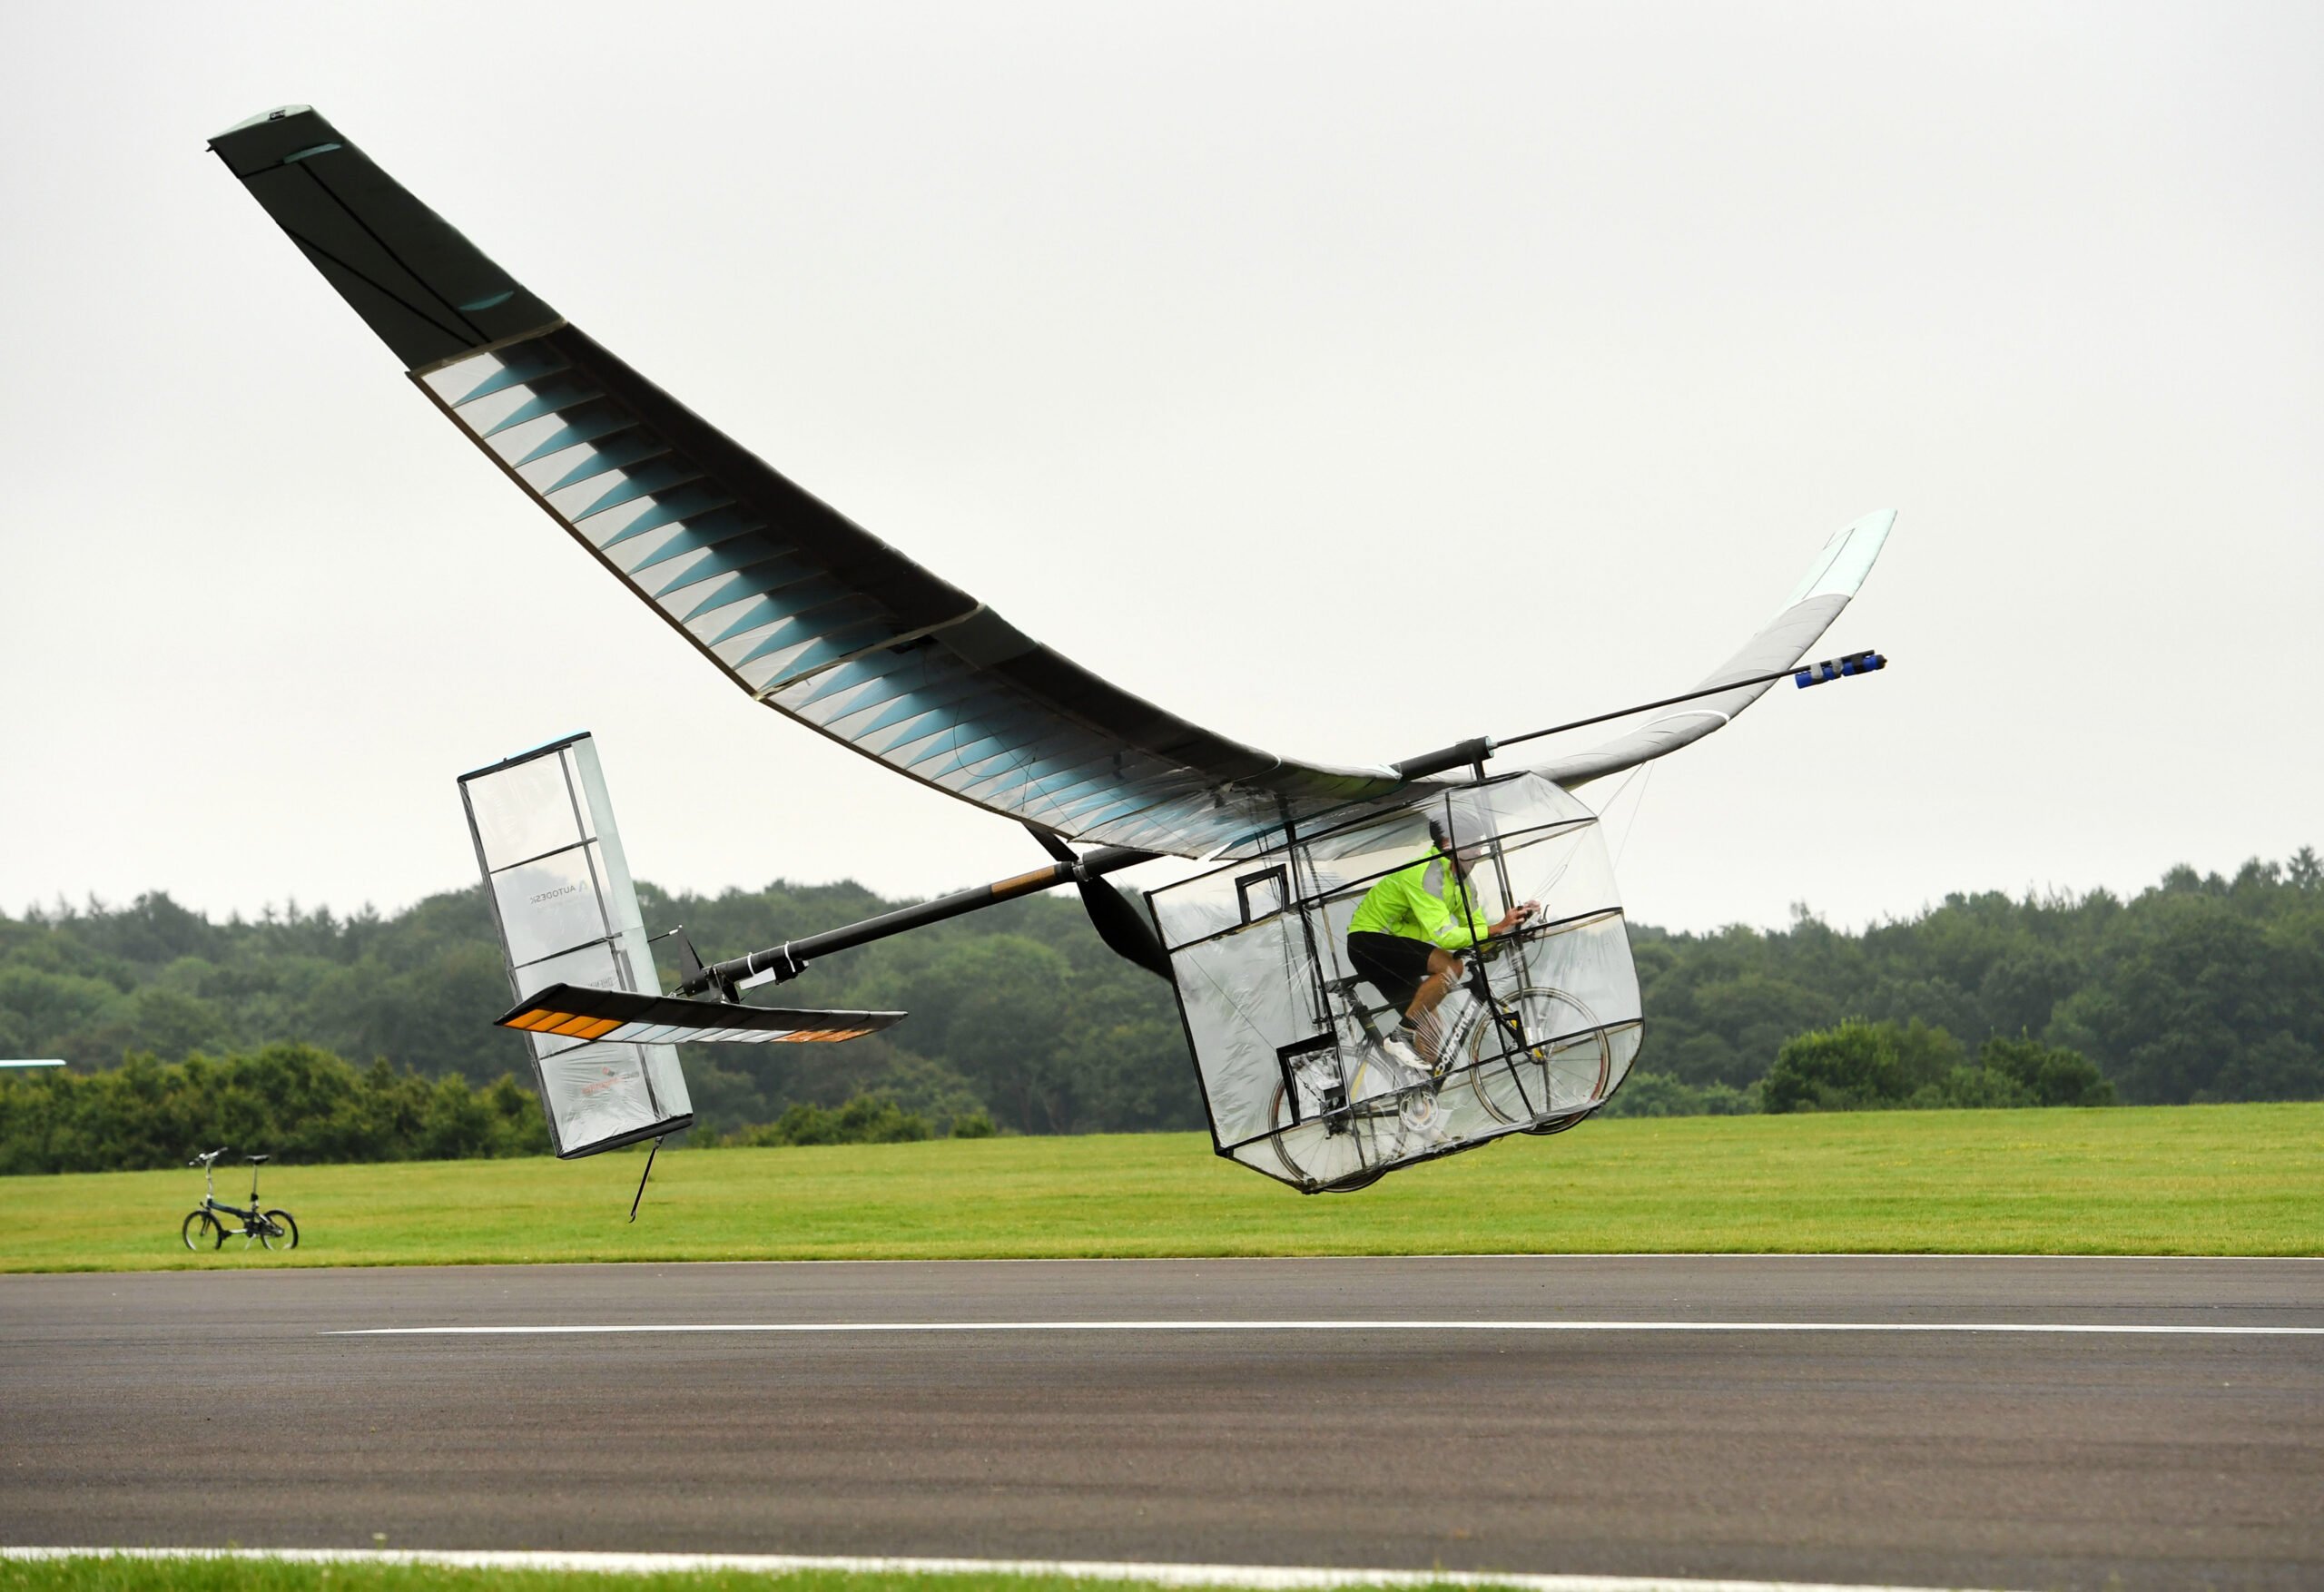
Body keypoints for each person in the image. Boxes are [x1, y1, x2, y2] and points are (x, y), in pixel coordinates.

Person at [1345, 821, 1537, 1066]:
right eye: (1473, 844)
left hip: (1396, 949)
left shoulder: (1463, 883)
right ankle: (1400, 1036)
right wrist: (1495, 928)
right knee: (1449, 966)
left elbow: (1476, 934)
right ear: (1448, 844)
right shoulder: (1426, 872)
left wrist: (1510, 929)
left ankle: (1422, 1094)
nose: (1479, 851)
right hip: (1368, 942)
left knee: (1431, 1026)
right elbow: (1445, 936)